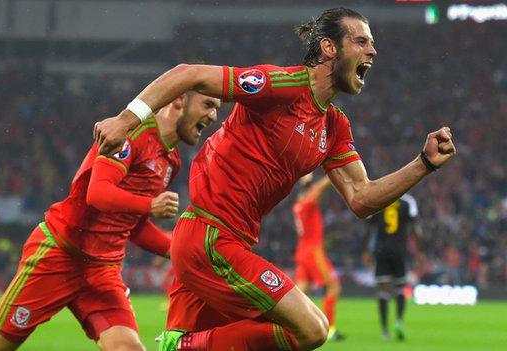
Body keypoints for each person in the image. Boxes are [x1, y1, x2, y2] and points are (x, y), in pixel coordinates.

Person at [94, 7, 456, 351]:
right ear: (329, 48)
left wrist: (423, 163)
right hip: (210, 238)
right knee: (312, 329)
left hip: (227, 244)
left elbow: (362, 198)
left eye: (371, 42)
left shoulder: (334, 126)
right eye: (361, 41)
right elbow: (189, 73)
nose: (373, 50)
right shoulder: (280, 85)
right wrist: (126, 122)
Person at [0, 91, 220, 351]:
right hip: (58, 254)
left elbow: (133, 225)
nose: (213, 115)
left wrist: (180, 249)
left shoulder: (171, 160)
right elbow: (98, 193)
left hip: (101, 270)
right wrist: (149, 204)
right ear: (178, 99)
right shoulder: (127, 134)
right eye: (207, 104)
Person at [292, 174, 344, 341]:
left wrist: (306, 181)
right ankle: (329, 329)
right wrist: (332, 174)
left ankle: (288, 326)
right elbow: (318, 189)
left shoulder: (298, 205)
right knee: (334, 287)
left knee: (299, 293)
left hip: (302, 251)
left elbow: (312, 189)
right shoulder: (307, 204)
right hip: (313, 252)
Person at [363, 193, 418, 341]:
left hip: (381, 250)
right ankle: (399, 321)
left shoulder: (379, 198)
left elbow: (370, 228)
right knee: (401, 287)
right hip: (400, 250)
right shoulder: (408, 201)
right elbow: (414, 229)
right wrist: (419, 251)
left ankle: (385, 331)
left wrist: (366, 250)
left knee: (383, 290)